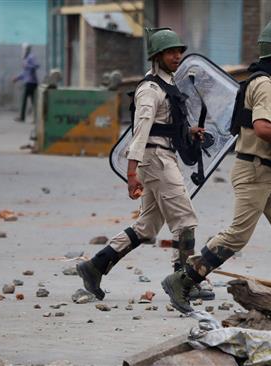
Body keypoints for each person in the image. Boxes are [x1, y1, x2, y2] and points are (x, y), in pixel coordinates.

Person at [161, 17, 271, 314]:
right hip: (255, 171)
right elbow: (262, 128)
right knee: (238, 235)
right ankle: (182, 279)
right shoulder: (265, 85)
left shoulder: (268, 82)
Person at [76, 28, 213, 301]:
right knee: (185, 221)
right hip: (155, 160)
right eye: (171, 52)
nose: (177, 56)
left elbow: (163, 126)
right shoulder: (149, 90)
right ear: (157, 56)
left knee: (147, 226)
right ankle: (184, 281)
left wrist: (187, 133)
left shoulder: (168, 84)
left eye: (179, 51)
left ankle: (95, 266)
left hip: (162, 156)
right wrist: (131, 173)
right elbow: (140, 132)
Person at [12, 43, 39, 122]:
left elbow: (37, 65)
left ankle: (33, 118)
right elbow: (25, 73)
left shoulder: (31, 56)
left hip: (31, 82)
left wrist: (28, 66)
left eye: (24, 49)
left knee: (33, 101)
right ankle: (23, 117)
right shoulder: (25, 58)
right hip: (27, 82)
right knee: (25, 100)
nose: (23, 50)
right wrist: (17, 78)